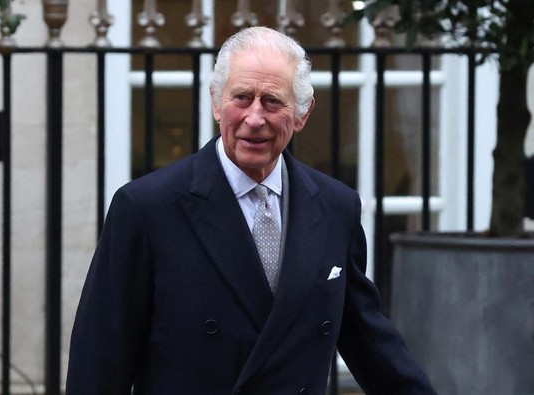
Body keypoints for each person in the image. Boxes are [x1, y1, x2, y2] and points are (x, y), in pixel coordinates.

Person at [66, 26, 436, 394]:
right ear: (215, 102)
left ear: (302, 114)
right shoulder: (148, 207)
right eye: (241, 97)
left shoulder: (336, 206)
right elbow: (101, 359)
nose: (255, 118)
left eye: (272, 101)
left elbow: (367, 339)